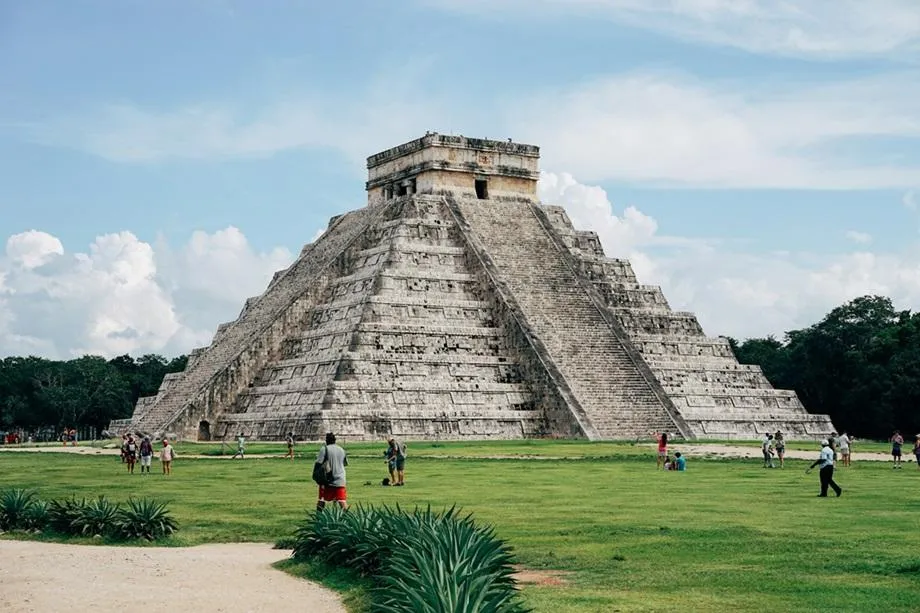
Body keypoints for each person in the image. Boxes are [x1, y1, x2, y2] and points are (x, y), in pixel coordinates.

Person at [316, 432, 348, 511]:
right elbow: (344, 463)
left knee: (322, 499)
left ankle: (318, 518)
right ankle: (348, 518)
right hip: (340, 478)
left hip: (327, 479)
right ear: (335, 440)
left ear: (326, 440)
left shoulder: (324, 449)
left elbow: (319, 463)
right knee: (342, 501)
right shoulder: (341, 449)